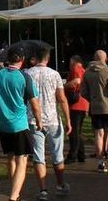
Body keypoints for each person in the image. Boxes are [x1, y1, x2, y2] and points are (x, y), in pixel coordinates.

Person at [0, 46, 42, 201]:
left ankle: (14, 190)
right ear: (22, 59)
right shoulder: (24, 77)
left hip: (2, 123)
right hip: (19, 124)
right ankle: (14, 196)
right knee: (22, 159)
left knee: (10, 157)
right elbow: (34, 103)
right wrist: (39, 121)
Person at [25, 47, 70, 199]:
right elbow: (62, 98)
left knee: (39, 156)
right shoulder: (55, 74)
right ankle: (60, 184)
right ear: (48, 58)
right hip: (53, 119)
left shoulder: (27, 74)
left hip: (33, 119)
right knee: (57, 155)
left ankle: (43, 190)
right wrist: (68, 119)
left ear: (35, 58)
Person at [80, 50, 108, 175]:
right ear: (105, 59)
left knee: (99, 134)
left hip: (95, 107)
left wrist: (92, 99)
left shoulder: (87, 73)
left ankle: (100, 162)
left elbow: (83, 91)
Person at [64, 56, 87, 164]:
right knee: (78, 131)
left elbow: (77, 81)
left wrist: (64, 86)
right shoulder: (85, 71)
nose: (69, 65)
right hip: (84, 103)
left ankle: (72, 155)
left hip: (76, 104)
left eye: (70, 63)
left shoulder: (76, 70)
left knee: (73, 131)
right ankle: (81, 154)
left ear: (74, 62)